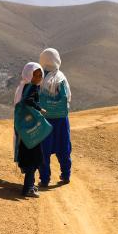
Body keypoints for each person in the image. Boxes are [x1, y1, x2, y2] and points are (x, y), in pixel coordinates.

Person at [38, 48, 72, 187]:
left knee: (44, 149)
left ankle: (45, 179)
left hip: (44, 118)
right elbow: (68, 97)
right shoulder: (61, 77)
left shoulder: (38, 76)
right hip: (61, 119)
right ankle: (65, 175)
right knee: (63, 146)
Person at [13, 62, 47, 198]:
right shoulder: (31, 88)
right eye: (35, 75)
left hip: (23, 128)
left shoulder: (22, 87)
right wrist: (40, 109)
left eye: (40, 75)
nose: (38, 78)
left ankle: (30, 186)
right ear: (28, 75)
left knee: (29, 157)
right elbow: (28, 101)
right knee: (34, 158)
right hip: (32, 129)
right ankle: (28, 188)